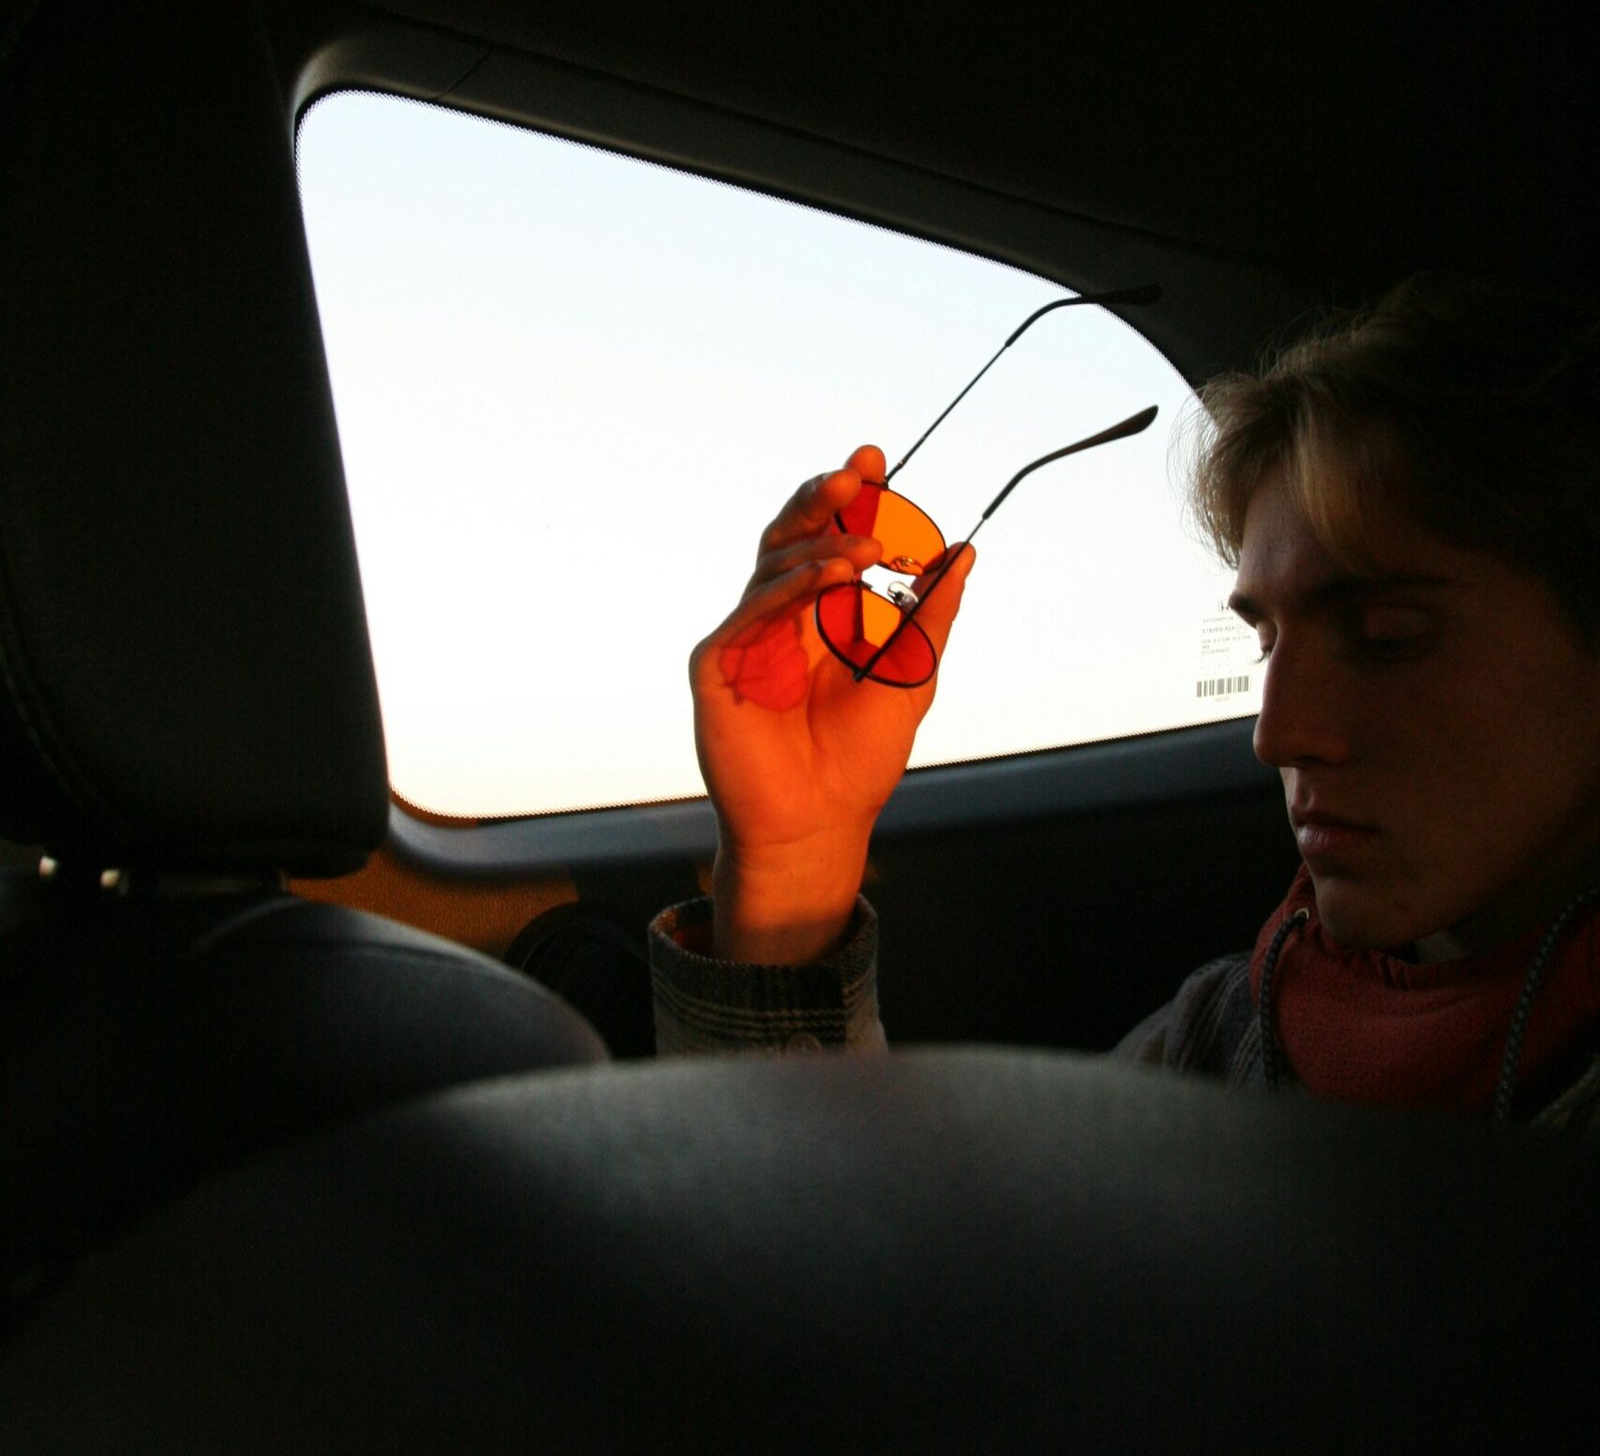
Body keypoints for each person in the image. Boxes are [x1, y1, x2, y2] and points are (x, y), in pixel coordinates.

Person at [648, 273, 1600, 1131]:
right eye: (1265, 640)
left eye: (1388, 639)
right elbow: (903, 1290)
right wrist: (792, 870)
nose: (1279, 734)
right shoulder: (1228, 1033)